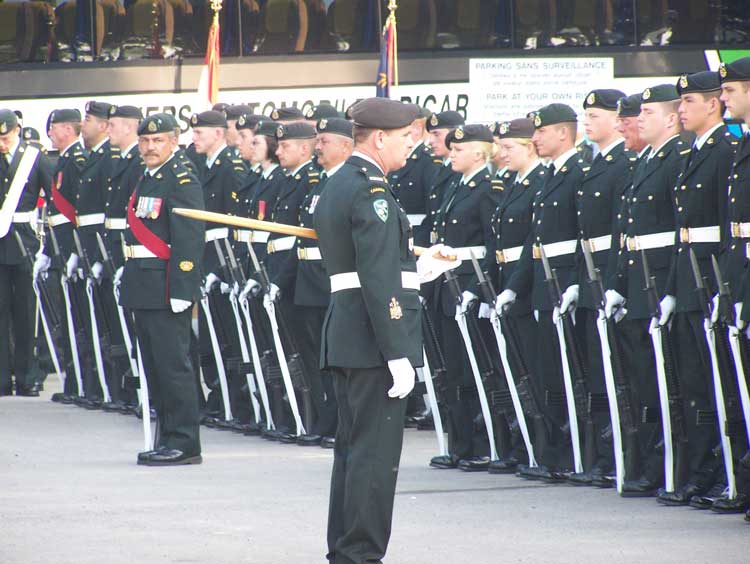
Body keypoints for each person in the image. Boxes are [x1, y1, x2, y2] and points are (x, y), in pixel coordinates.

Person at [313, 97, 422, 564]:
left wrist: (421, 265)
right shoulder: (370, 190)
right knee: (374, 458)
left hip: (348, 333)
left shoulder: (339, 183)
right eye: (405, 139)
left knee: (354, 453)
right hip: (373, 339)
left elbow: (372, 267)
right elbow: (377, 277)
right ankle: (360, 554)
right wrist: (398, 350)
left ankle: (345, 550)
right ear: (380, 139)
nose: (411, 147)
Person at [604, 84, 689, 497]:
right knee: (644, 380)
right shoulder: (645, 160)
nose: (638, 120)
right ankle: (656, 465)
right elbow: (627, 233)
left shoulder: (678, 158)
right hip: (639, 284)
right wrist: (617, 285)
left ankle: (675, 466)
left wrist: (672, 286)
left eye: (648, 113)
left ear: (670, 118)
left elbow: (680, 232)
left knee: (669, 380)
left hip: (660, 282)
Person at [498, 103, 586, 482]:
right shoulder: (552, 175)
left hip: (564, 283)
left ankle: (575, 454)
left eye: (541, 131)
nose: (535, 138)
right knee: (547, 374)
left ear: (562, 133)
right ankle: (553, 452)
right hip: (541, 285)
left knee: (572, 376)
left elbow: (585, 237)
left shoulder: (578, 172)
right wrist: (514, 288)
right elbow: (534, 243)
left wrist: (578, 283)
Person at [558, 88, 635, 486]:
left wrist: (615, 280)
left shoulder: (623, 163)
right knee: (594, 370)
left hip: (610, 274)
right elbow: (580, 234)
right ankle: (601, 457)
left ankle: (619, 456)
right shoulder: (592, 165)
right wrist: (574, 282)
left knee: (616, 371)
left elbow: (621, 231)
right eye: (585, 117)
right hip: (588, 276)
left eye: (594, 117)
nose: (586, 123)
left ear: (615, 119)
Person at [119, 112, 205, 466]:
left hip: (167, 288)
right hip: (144, 284)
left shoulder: (181, 179)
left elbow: (189, 239)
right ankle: (166, 435)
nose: (150, 147)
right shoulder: (148, 177)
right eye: (145, 141)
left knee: (174, 368)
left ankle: (185, 442)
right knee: (154, 368)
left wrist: (183, 288)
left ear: (173, 142)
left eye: (157, 141)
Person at [430, 123, 505, 472]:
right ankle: (460, 443)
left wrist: (477, 288)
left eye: (459, 149)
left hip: (468, 286)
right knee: (455, 369)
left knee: (477, 370)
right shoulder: (455, 186)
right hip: (447, 286)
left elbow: (492, 246)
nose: (452, 153)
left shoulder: (487, 188)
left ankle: (481, 443)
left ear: (479, 152)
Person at [483, 117, 547, 474]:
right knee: (514, 370)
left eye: (509, 147)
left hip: (524, 287)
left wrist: (512, 287)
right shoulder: (512, 183)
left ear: (529, 146)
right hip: (506, 283)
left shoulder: (538, 183)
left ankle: (537, 444)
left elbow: (528, 244)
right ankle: (522, 443)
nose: (501, 153)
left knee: (531, 371)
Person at [292, 117, 354, 447]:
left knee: (337, 359)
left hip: (333, 281)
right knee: (317, 359)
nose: (318, 146)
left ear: (346, 145)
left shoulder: (348, 182)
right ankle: (326, 419)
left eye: (324, 140)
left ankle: (340, 423)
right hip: (311, 282)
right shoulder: (321, 182)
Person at [0, 109, 52, 396]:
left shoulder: (35, 158)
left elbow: (54, 198)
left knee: (25, 314)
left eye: (5, 137)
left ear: (17, 130)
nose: (2, 144)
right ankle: (2, 379)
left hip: (25, 243)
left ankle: (27, 376)